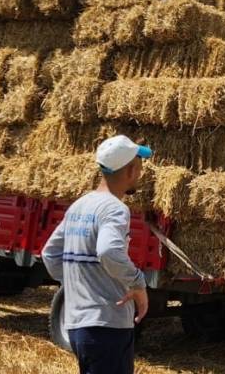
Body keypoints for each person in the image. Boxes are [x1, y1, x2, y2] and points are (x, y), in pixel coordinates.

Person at [42, 135, 154, 374]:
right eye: (140, 166)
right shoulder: (115, 209)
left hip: (78, 325)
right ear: (131, 170)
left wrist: (80, 282)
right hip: (107, 325)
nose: (141, 173)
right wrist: (138, 283)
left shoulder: (79, 206)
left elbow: (50, 254)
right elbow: (109, 250)